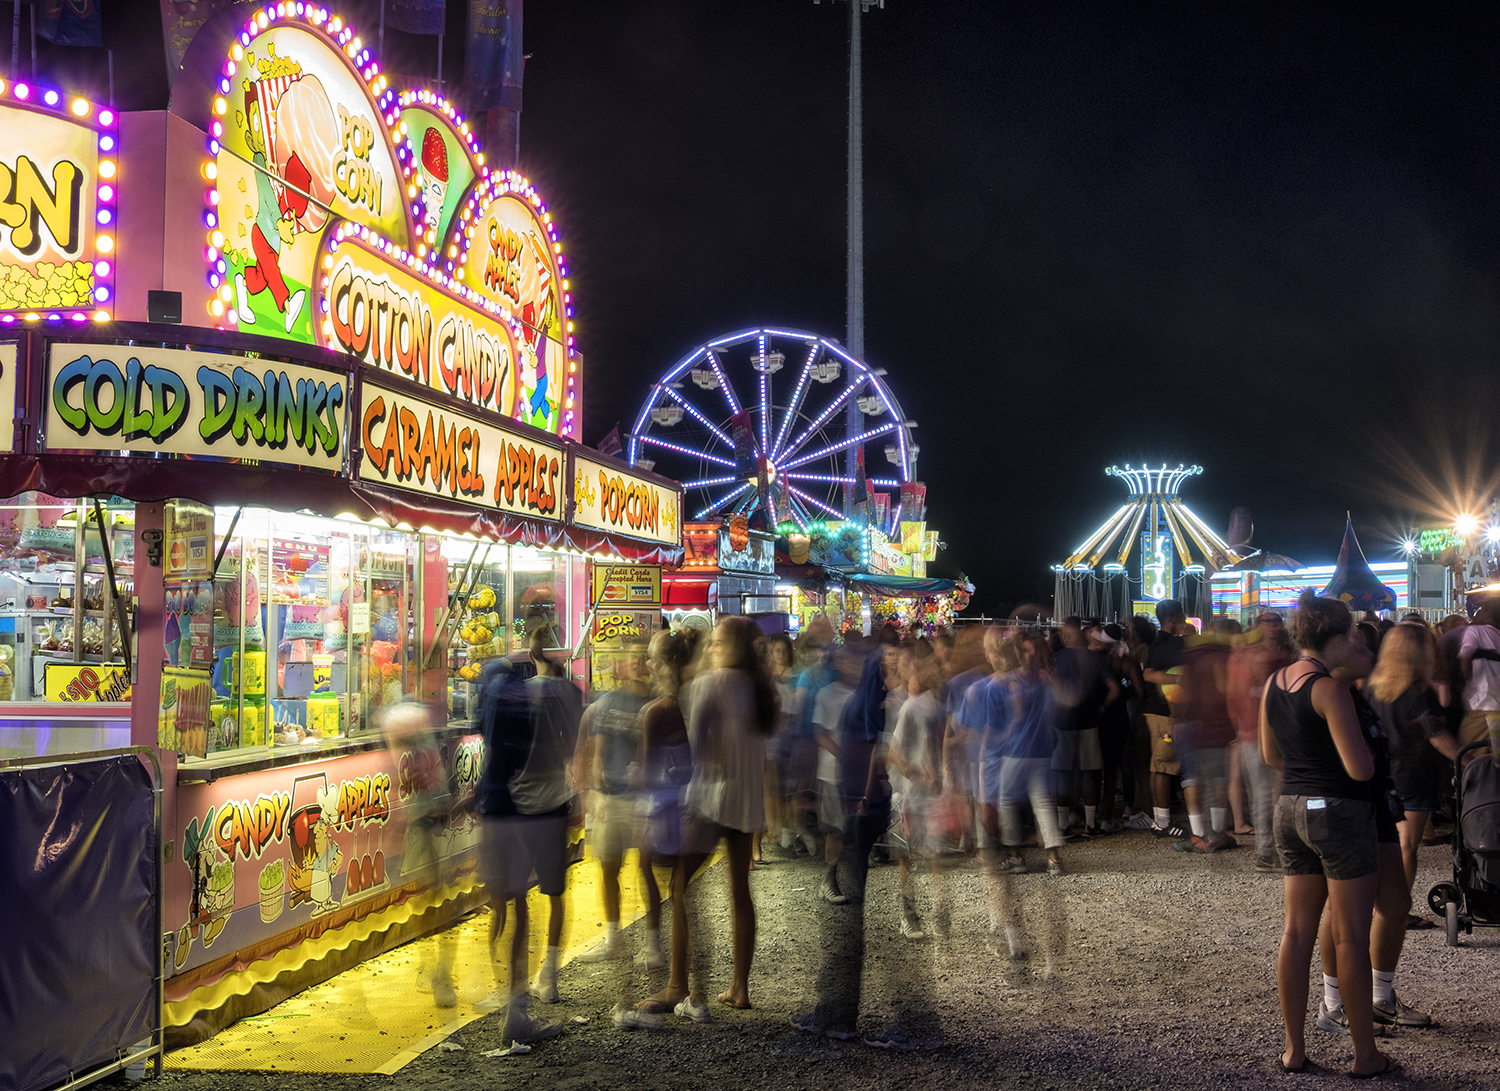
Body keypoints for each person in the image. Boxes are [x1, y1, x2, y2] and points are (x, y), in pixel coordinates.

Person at [1260, 592, 1393, 1079]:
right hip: (1338, 811)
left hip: (1289, 809)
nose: (1356, 642)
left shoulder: (1275, 681)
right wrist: (1373, 757)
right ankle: (1365, 1055)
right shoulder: (1330, 690)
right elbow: (1359, 769)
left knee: (1296, 931)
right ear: (1336, 638)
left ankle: (1294, 1049)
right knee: (1351, 936)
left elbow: (1271, 755)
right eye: (1352, 636)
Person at [476, 626, 583, 1043]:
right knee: (546, 899)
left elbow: (492, 742)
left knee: (509, 904)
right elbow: (571, 742)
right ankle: (538, 987)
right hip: (548, 805)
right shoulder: (566, 695)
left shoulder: (504, 686)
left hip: (507, 806)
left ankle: (510, 1000)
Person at [682, 615, 776, 1013]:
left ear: (732, 647)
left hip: (708, 798)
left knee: (679, 886)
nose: (710, 648)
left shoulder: (709, 684)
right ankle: (741, 987)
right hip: (743, 800)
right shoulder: (761, 690)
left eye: (717, 643)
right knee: (740, 894)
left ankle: (683, 985)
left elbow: (692, 742)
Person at [1364, 623, 1460, 934]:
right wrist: (1469, 758)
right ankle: (1397, 911)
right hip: (1415, 772)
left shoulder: (1370, 687)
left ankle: (1377, 905)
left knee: (1383, 843)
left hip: (1381, 773)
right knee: (1406, 846)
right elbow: (1436, 735)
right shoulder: (1420, 692)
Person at [574, 637, 652, 964]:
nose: (637, 664)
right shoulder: (608, 702)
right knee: (608, 868)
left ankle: (653, 942)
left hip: (646, 800)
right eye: (632, 658)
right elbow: (594, 750)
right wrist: (591, 789)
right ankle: (612, 938)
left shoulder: (661, 702)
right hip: (613, 798)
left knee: (648, 870)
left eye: (643, 658)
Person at [380, 699, 458, 1008]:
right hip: (418, 823)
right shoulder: (404, 729)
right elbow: (398, 777)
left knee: (436, 897)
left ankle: (440, 971)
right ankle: (433, 967)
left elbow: (434, 774)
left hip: (432, 820)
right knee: (427, 898)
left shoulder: (413, 725)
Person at [886, 640, 947, 940]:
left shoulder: (936, 705)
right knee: (907, 854)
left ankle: (939, 910)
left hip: (930, 792)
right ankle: (908, 913)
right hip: (908, 792)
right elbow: (894, 751)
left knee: (934, 851)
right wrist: (912, 770)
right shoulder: (912, 706)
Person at [1230, 612, 1296, 872]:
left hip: (1265, 729)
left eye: (1275, 620)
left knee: (1270, 794)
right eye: (1266, 621)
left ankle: (1271, 850)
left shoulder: (1258, 654)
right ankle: (1268, 852)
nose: (1272, 625)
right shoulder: (1269, 655)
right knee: (1267, 794)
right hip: (1259, 730)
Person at [1171, 620, 1236, 853]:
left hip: (1192, 722)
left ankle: (1198, 836)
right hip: (1220, 722)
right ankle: (1218, 833)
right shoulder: (1224, 654)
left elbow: (1184, 689)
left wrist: (1177, 719)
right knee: (1219, 778)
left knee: (1191, 777)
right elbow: (1227, 688)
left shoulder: (1191, 655)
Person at [1052, 618, 1119, 836]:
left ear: (1067, 635)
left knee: (1064, 773)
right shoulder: (1095, 659)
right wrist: (1101, 707)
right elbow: (1114, 689)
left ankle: (1063, 825)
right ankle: (1091, 824)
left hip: (1061, 723)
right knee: (1089, 773)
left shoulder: (1056, 659)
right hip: (1090, 721)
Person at [1141, 601, 1190, 840]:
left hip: (1155, 712)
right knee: (1164, 765)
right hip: (1163, 713)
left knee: (1158, 765)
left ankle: (1159, 819)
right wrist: (1178, 679)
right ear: (1173, 619)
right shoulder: (1171, 644)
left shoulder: (1157, 642)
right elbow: (1148, 673)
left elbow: (1149, 672)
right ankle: (1162, 824)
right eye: (1182, 617)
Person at [1458, 597, 1500, 765]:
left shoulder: (1475, 631)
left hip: (1481, 706)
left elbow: (1465, 656)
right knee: (1495, 759)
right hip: (1496, 706)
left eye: (1480, 611)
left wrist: (1467, 684)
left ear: (1488, 614)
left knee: (1468, 758)